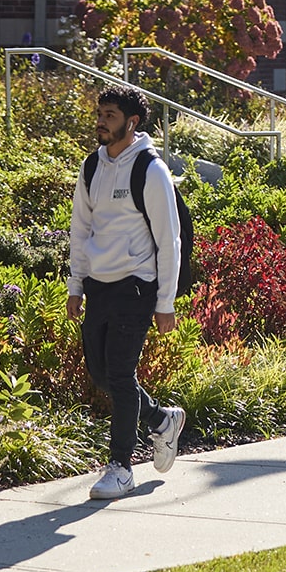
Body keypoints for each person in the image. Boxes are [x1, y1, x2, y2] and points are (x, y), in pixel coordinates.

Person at [68, 87, 187, 500]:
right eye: (100, 112)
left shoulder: (151, 171)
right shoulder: (91, 167)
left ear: (131, 123)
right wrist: (76, 285)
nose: (101, 120)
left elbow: (168, 239)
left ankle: (121, 467)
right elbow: (80, 229)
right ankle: (161, 420)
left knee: (119, 374)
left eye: (111, 114)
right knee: (101, 375)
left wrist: (165, 301)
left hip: (137, 285)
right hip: (99, 285)